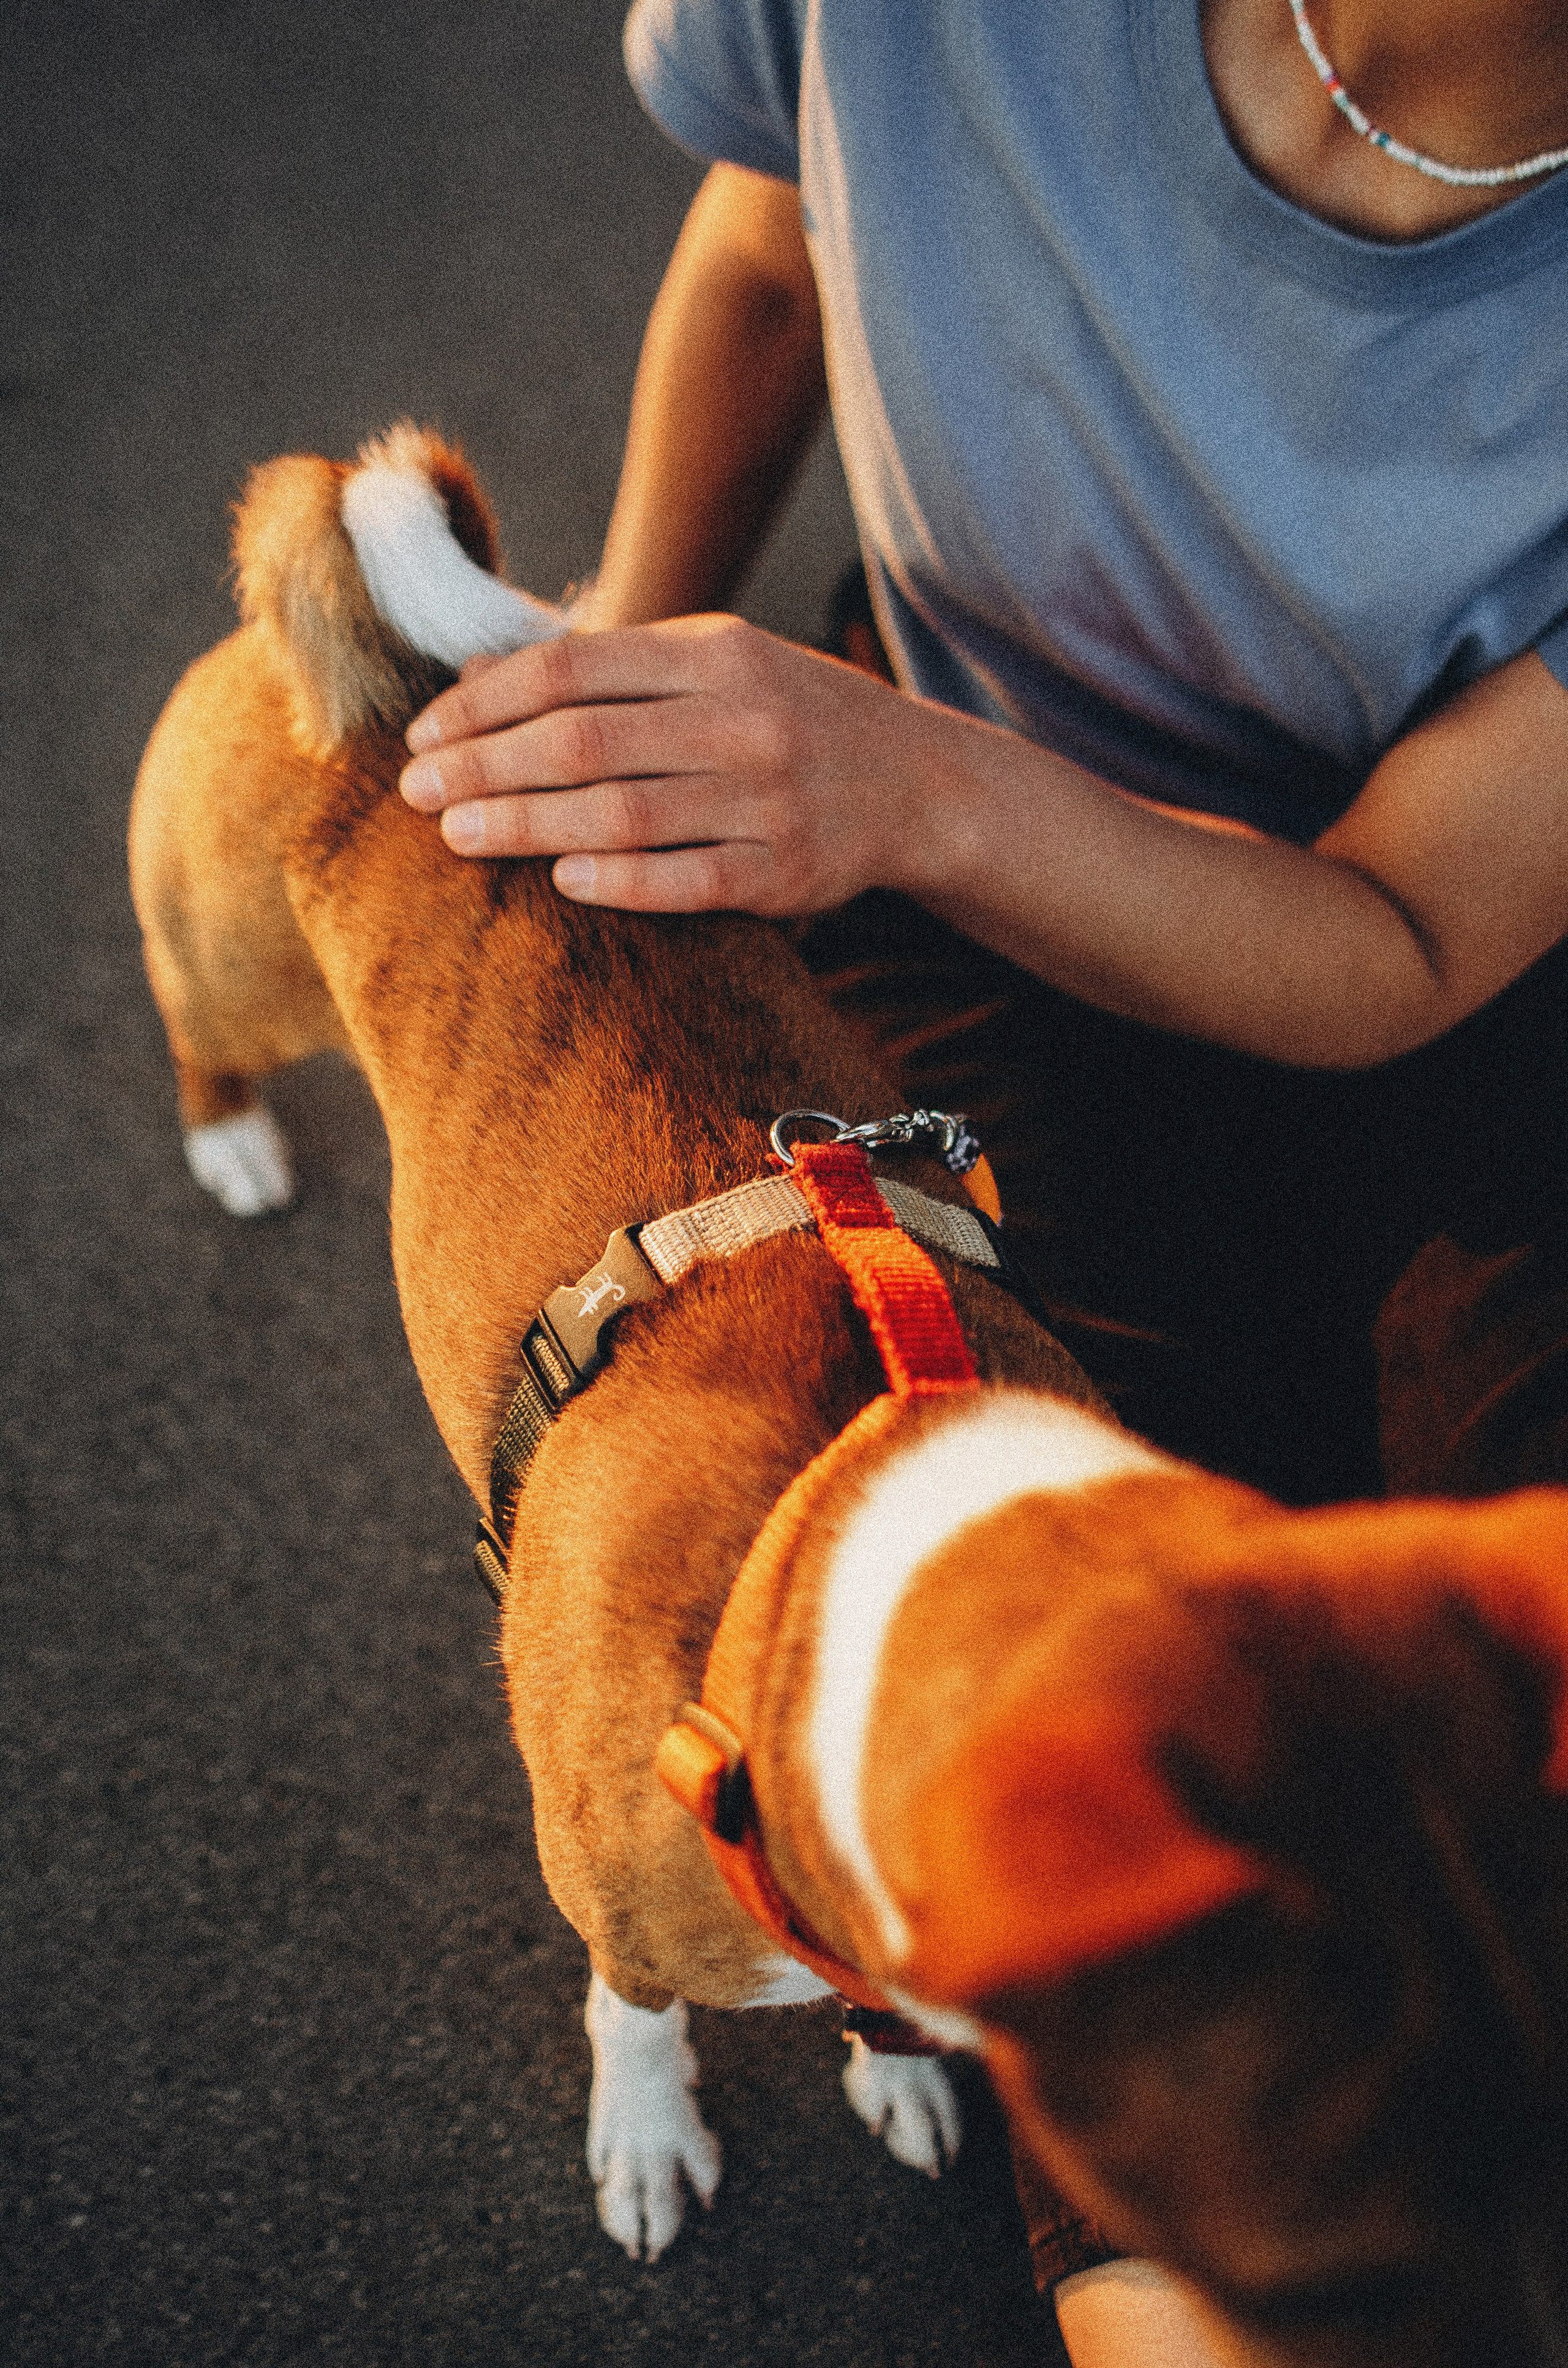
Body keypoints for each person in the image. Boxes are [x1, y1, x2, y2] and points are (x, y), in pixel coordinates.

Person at [398, 3, 1568, 2356]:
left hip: (1446, 958)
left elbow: (1408, 934)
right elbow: (768, 236)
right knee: (1091, 1697)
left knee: (1482, 1768)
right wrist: (634, 639)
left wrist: (899, 790)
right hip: (944, 900)